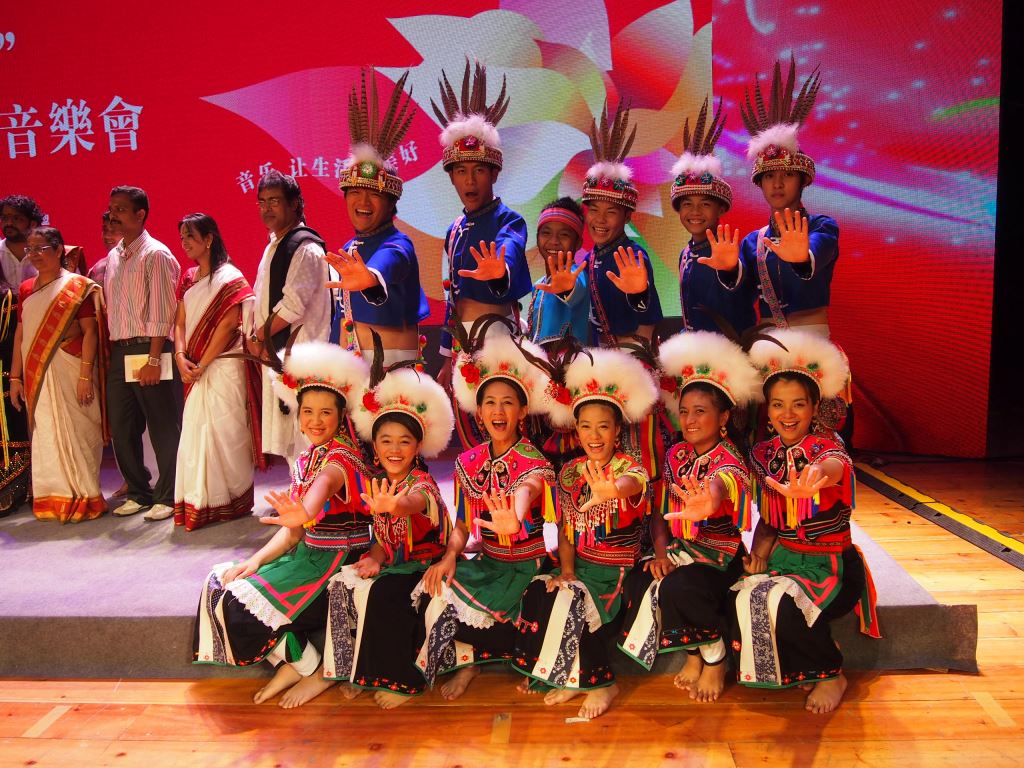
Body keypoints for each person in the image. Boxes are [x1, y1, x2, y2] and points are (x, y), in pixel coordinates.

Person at [193, 342, 373, 707]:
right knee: (220, 584)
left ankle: (309, 666)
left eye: (326, 412)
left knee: (238, 605)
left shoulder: (341, 459)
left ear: (342, 416)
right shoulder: (307, 458)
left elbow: (320, 492)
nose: (315, 421)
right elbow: (294, 533)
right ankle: (297, 662)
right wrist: (256, 559)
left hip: (336, 561)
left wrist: (304, 511)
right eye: (308, 411)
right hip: (307, 554)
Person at [733, 328, 879, 714]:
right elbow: (769, 520)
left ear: (815, 407)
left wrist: (814, 477)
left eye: (798, 404)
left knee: (781, 605)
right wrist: (759, 555)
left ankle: (831, 674)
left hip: (831, 566)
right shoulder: (763, 453)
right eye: (778, 404)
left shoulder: (828, 448)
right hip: (785, 560)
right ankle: (810, 657)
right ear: (767, 409)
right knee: (742, 595)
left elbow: (834, 467)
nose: (787, 414)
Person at [511, 347, 657, 720]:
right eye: (586, 426)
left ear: (617, 430)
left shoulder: (630, 467)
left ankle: (602, 683)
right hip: (582, 566)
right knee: (543, 591)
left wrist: (613, 490)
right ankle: (566, 675)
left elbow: (632, 485)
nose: (594, 435)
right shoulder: (570, 472)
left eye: (603, 426)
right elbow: (566, 532)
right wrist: (567, 570)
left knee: (574, 601)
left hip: (616, 572)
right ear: (576, 430)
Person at [618, 331, 760, 703]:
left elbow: (720, 484)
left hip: (719, 558)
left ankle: (715, 657)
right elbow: (660, 515)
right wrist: (661, 554)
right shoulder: (676, 454)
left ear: (723, 416)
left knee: (679, 587)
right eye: (684, 411)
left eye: (700, 411)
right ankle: (694, 652)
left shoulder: (730, 458)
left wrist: (709, 501)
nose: (690, 419)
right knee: (641, 579)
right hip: (681, 551)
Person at [412, 334, 556, 700]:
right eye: (490, 402)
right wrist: (450, 556)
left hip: (524, 568)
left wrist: (515, 516)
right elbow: (462, 525)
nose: (498, 411)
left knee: (516, 617)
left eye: (508, 403)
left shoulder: (534, 461)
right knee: (433, 588)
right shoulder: (468, 462)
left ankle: (480, 656)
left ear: (522, 411)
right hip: (489, 564)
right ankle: (469, 663)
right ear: (479, 412)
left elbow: (528, 488)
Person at [322, 364, 454, 709]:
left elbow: (412, 505)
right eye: (386, 441)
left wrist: (396, 505)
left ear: (418, 446)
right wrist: (374, 557)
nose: (395, 449)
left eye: (404, 441)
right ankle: (358, 673)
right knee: (344, 584)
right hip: (396, 564)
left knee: (385, 594)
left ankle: (403, 682)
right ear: (376, 446)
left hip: (425, 566)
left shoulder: (422, 484)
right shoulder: (377, 482)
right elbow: (383, 537)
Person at [430, 61, 531, 447]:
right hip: (462, 343)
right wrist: (445, 356)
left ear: (494, 174)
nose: (470, 180)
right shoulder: (454, 230)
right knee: (471, 432)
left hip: (497, 337)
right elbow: (452, 297)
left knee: (504, 427)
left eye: (479, 171)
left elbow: (510, 251)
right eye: (461, 171)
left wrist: (500, 270)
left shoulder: (510, 220)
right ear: (451, 176)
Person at [325, 68, 430, 367]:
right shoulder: (349, 250)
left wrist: (371, 278)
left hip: (394, 381)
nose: (363, 202)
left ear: (391, 202)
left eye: (374, 194)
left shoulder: (399, 245)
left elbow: (388, 262)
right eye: (355, 192)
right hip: (353, 377)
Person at [8, 226, 106, 523]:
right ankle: (53, 497)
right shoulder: (27, 289)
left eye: (41, 248)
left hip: (72, 367)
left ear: (59, 249)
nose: (34, 255)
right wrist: (15, 377)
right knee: (47, 433)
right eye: (30, 249)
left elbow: (90, 332)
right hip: (37, 372)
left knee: (79, 431)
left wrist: (85, 376)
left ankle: (87, 496)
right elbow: (21, 334)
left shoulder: (78, 286)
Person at [172, 213, 264, 531]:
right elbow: (180, 322)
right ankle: (200, 502)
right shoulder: (188, 278)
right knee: (196, 434)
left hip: (223, 365)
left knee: (227, 432)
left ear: (209, 238)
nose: (184, 243)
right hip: (194, 366)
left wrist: (202, 364)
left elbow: (227, 326)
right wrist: (180, 356)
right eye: (182, 237)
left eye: (190, 236)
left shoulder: (230, 278)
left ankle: (231, 500)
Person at [103, 185, 182, 521]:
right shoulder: (114, 255)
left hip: (150, 347)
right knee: (122, 427)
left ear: (140, 214)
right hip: (120, 349)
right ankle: (139, 492)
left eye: (121, 209)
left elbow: (163, 311)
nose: (114, 215)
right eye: (112, 209)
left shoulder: (156, 254)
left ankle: (168, 495)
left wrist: (152, 359)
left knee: (162, 425)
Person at [246, 170, 332, 464]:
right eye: (262, 202)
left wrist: (258, 336)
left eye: (274, 201)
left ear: (295, 203)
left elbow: (292, 306)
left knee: (309, 436)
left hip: (303, 357)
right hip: (280, 355)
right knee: (294, 439)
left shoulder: (305, 248)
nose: (266, 208)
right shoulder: (275, 245)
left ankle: (314, 492)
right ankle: (301, 490)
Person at [669, 97, 756, 334]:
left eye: (705, 204)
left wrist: (729, 269)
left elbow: (741, 294)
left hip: (729, 350)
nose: (695, 211)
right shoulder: (685, 254)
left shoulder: (731, 249)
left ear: (721, 209)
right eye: (687, 204)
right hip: (694, 349)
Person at [89, 211, 128, 500]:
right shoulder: (97, 270)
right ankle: (131, 478)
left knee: (148, 421)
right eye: (104, 228)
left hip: (139, 347)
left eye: (114, 227)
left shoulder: (147, 258)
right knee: (120, 419)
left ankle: (160, 479)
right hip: (109, 353)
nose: (107, 233)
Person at [525, 198, 589, 348]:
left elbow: (576, 289)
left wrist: (566, 289)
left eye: (564, 235)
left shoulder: (577, 275)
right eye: (546, 233)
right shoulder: (539, 285)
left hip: (570, 361)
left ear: (578, 243)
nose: (554, 241)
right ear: (537, 238)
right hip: (538, 359)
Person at [0, 194, 43, 287]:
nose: (9, 223)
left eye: (16, 218)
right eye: (4, 218)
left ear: (33, 224)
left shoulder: (49, 255)